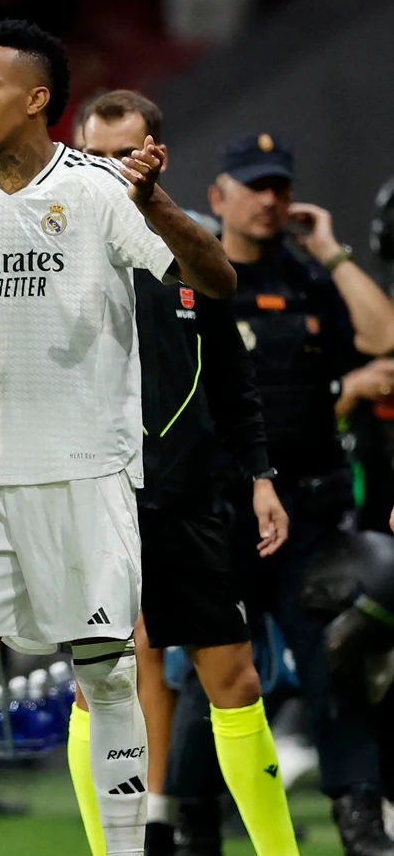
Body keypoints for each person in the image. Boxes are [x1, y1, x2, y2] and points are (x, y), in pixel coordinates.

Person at [0, 19, 235, 856]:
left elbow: (216, 279)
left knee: (110, 673)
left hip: (86, 471)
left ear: (37, 98)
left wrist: (155, 205)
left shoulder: (98, 191)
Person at [70, 90, 298, 856]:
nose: (105, 172)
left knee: (234, 677)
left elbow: (234, 378)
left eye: (122, 156)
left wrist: (261, 475)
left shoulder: (195, 256)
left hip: (188, 495)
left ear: (154, 156)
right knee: (98, 684)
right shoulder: (51, 252)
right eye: (91, 157)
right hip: (93, 495)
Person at [195, 131, 394, 856]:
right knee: (216, 672)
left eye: (280, 184)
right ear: (218, 197)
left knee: (334, 660)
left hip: (308, 512)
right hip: (221, 509)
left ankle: (362, 816)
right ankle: (189, 814)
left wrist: (332, 250)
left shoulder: (310, 281)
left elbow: (383, 336)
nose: (271, 198)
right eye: (254, 184)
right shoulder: (194, 277)